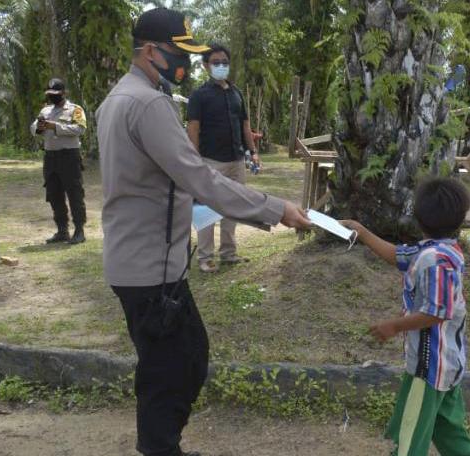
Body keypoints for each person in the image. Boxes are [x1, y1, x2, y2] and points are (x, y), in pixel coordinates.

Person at [95, 8, 311, 456]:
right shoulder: (149, 104)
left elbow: (170, 181)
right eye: (180, 53)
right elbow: (201, 178)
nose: (188, 64)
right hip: (151, 268)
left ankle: (158, 446)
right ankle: (159, 448)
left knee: (173, 362)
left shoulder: (116, 99)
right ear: (152, 51)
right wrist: (276, 209)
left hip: (136, 260)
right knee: (176, 367)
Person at [340, 178, 470, 456]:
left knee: (409, 436)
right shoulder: (442, 250)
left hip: (428, 367)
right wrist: (362, 231)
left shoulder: (434, 260)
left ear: (418, 218)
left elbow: (437, 312)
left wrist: (393, 326)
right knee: (449, 430)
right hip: (448, 363)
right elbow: (397, 255)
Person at [187, 44, 260, 273]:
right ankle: (205, 258)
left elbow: (245, 126)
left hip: (237, 160)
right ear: (205, 65)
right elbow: (193, 129)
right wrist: (194, 159)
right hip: (210, 161)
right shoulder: (199, 96)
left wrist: (253, 151)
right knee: (207, 211)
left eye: (225, 62)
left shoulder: (236, 93)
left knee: (234, 208)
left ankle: (228, 254)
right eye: (216, 62)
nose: (221, 66)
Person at [31, 78, 87, 244]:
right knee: (54, 195)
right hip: (51, 158)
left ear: (63, 93)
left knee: (74, 193)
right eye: (49, 94)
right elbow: (34, 127)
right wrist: (39, 127)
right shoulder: (45, 111)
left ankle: (79, 230)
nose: (51, 96)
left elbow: (80, 129)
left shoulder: (75, 109)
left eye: (55, 94)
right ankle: (62, 230)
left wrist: (55, 127)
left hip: (69, 156)